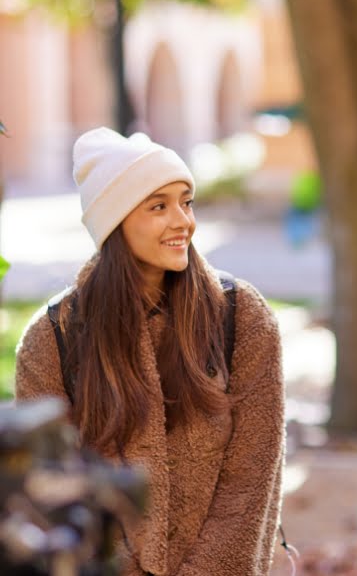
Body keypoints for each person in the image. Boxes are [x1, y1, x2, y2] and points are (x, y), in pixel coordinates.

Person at [14, 127, 285, 576]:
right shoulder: (53, 338)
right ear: (114, 222)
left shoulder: (240, 315)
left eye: (186, 201)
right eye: (159, 206)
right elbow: (54, 490)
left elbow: (251, 480)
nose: (183, 220)